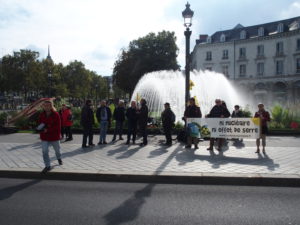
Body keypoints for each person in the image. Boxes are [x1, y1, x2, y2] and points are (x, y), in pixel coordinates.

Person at [38, 100, 62, 173]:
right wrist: (39, 128)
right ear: (43, 106)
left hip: (54, 136)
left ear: (51, 106)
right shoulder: (41, 114)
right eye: (45, 105)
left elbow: (58, 127)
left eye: (48, 105)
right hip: (45, 137)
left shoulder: (56, 114)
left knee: (57, 150)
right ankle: (47, 165)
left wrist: (48, 130)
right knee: (44, 151)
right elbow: (40, 123)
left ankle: (59, 158)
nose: (47, 107)